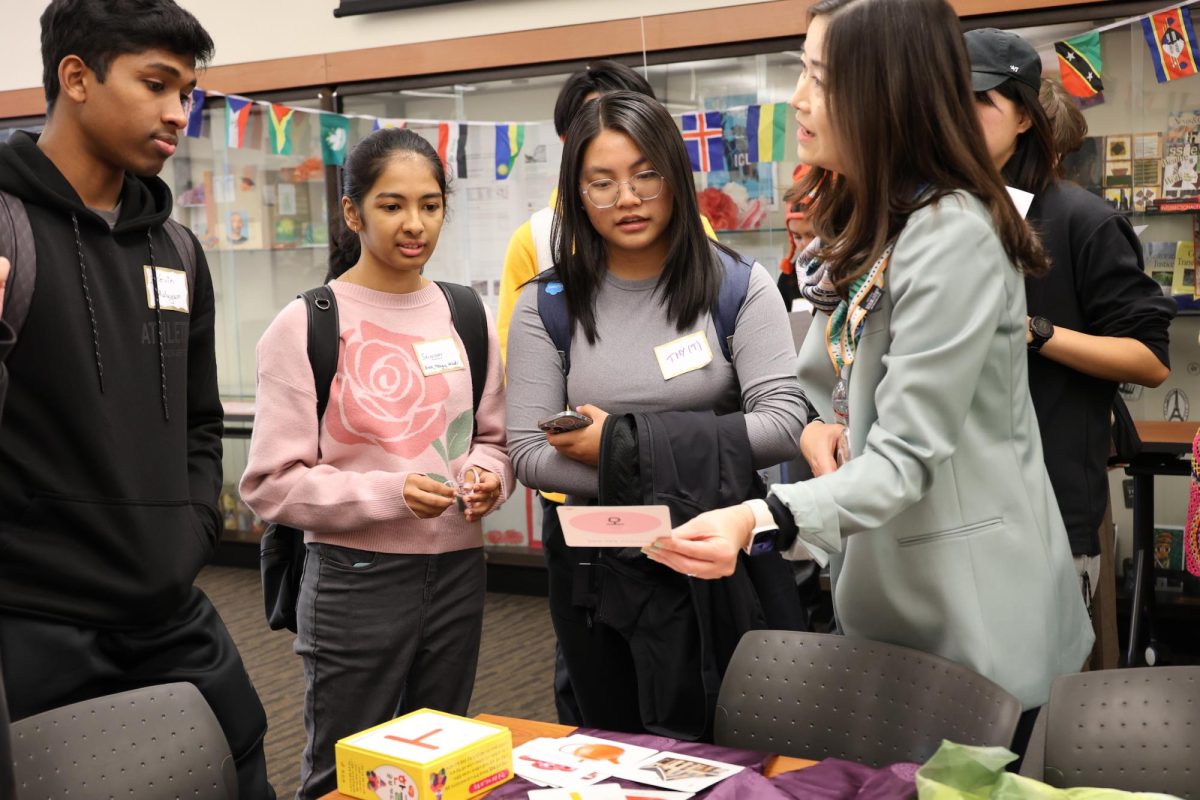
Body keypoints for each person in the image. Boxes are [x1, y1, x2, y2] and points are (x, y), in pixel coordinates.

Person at [647, 0, 1094, 718]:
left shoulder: (952, 235)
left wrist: (759, 518)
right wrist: (819, 426)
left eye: (820, 79)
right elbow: (833, 378)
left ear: (887, 90)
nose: (797, 99)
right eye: (802, 72)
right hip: (887, 586)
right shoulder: (875, 220)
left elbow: (908, 455)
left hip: (973, 607)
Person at [0, 3, 274, 797]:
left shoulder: (178, 247)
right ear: (76, 78)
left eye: (187, 93)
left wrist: (190, 529)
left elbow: (198, 418)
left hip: (171, 610)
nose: (176, 114)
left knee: (237, 765)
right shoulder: (8, 229)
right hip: (35, 624)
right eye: (156, 84)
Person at [505, 90, 809, 740]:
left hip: (723, 551)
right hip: (596, 566)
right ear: (577, 192)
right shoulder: (545, 306)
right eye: (603, 181)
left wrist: (620, 445)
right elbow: (529, 455)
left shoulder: (737, 286)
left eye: (646, 174)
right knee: (614, 751)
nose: (628, 197)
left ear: (676, 175)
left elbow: (785, 422)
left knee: (740, 748)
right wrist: (674, 461)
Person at [240, 127, 512, 800]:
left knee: (446, 761)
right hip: (354, 578)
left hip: (456, 570)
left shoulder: (467, 314)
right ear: (353, 213)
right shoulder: (306, 324)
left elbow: (494, 439)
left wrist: (485, 477)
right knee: (346, 773)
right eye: (392, 205)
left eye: (430, 204)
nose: (415, 224)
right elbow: (270, 484)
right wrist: (392, 492)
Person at [494, 58, 717, 726]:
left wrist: (632, 441)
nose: (626, 188)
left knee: (694, 680)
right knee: (594, 684)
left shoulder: (698, 239)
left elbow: (727, 383)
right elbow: (528, 392)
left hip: (684, 500)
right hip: (583, 505)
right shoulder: (535, 242)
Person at [965, 29, 1175, 666]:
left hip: (1053, 500)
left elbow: (1150, 358)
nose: (958, 119)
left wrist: (1037, 332)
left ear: (1025, 116)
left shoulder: (1082, 220)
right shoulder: (940, 217)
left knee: (1055, 703)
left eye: (980, 102)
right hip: (954, 506)